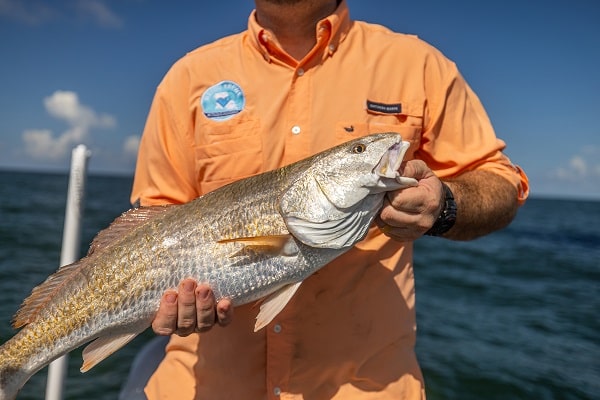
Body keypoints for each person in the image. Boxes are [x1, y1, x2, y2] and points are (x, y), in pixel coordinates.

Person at [130, 0, 529, 398]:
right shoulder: (188, 77)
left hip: (367, 386)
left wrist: (444, 205)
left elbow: (500, 183)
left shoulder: (417, 64)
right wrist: (167, 299)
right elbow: (153, 223)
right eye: (358, 152)